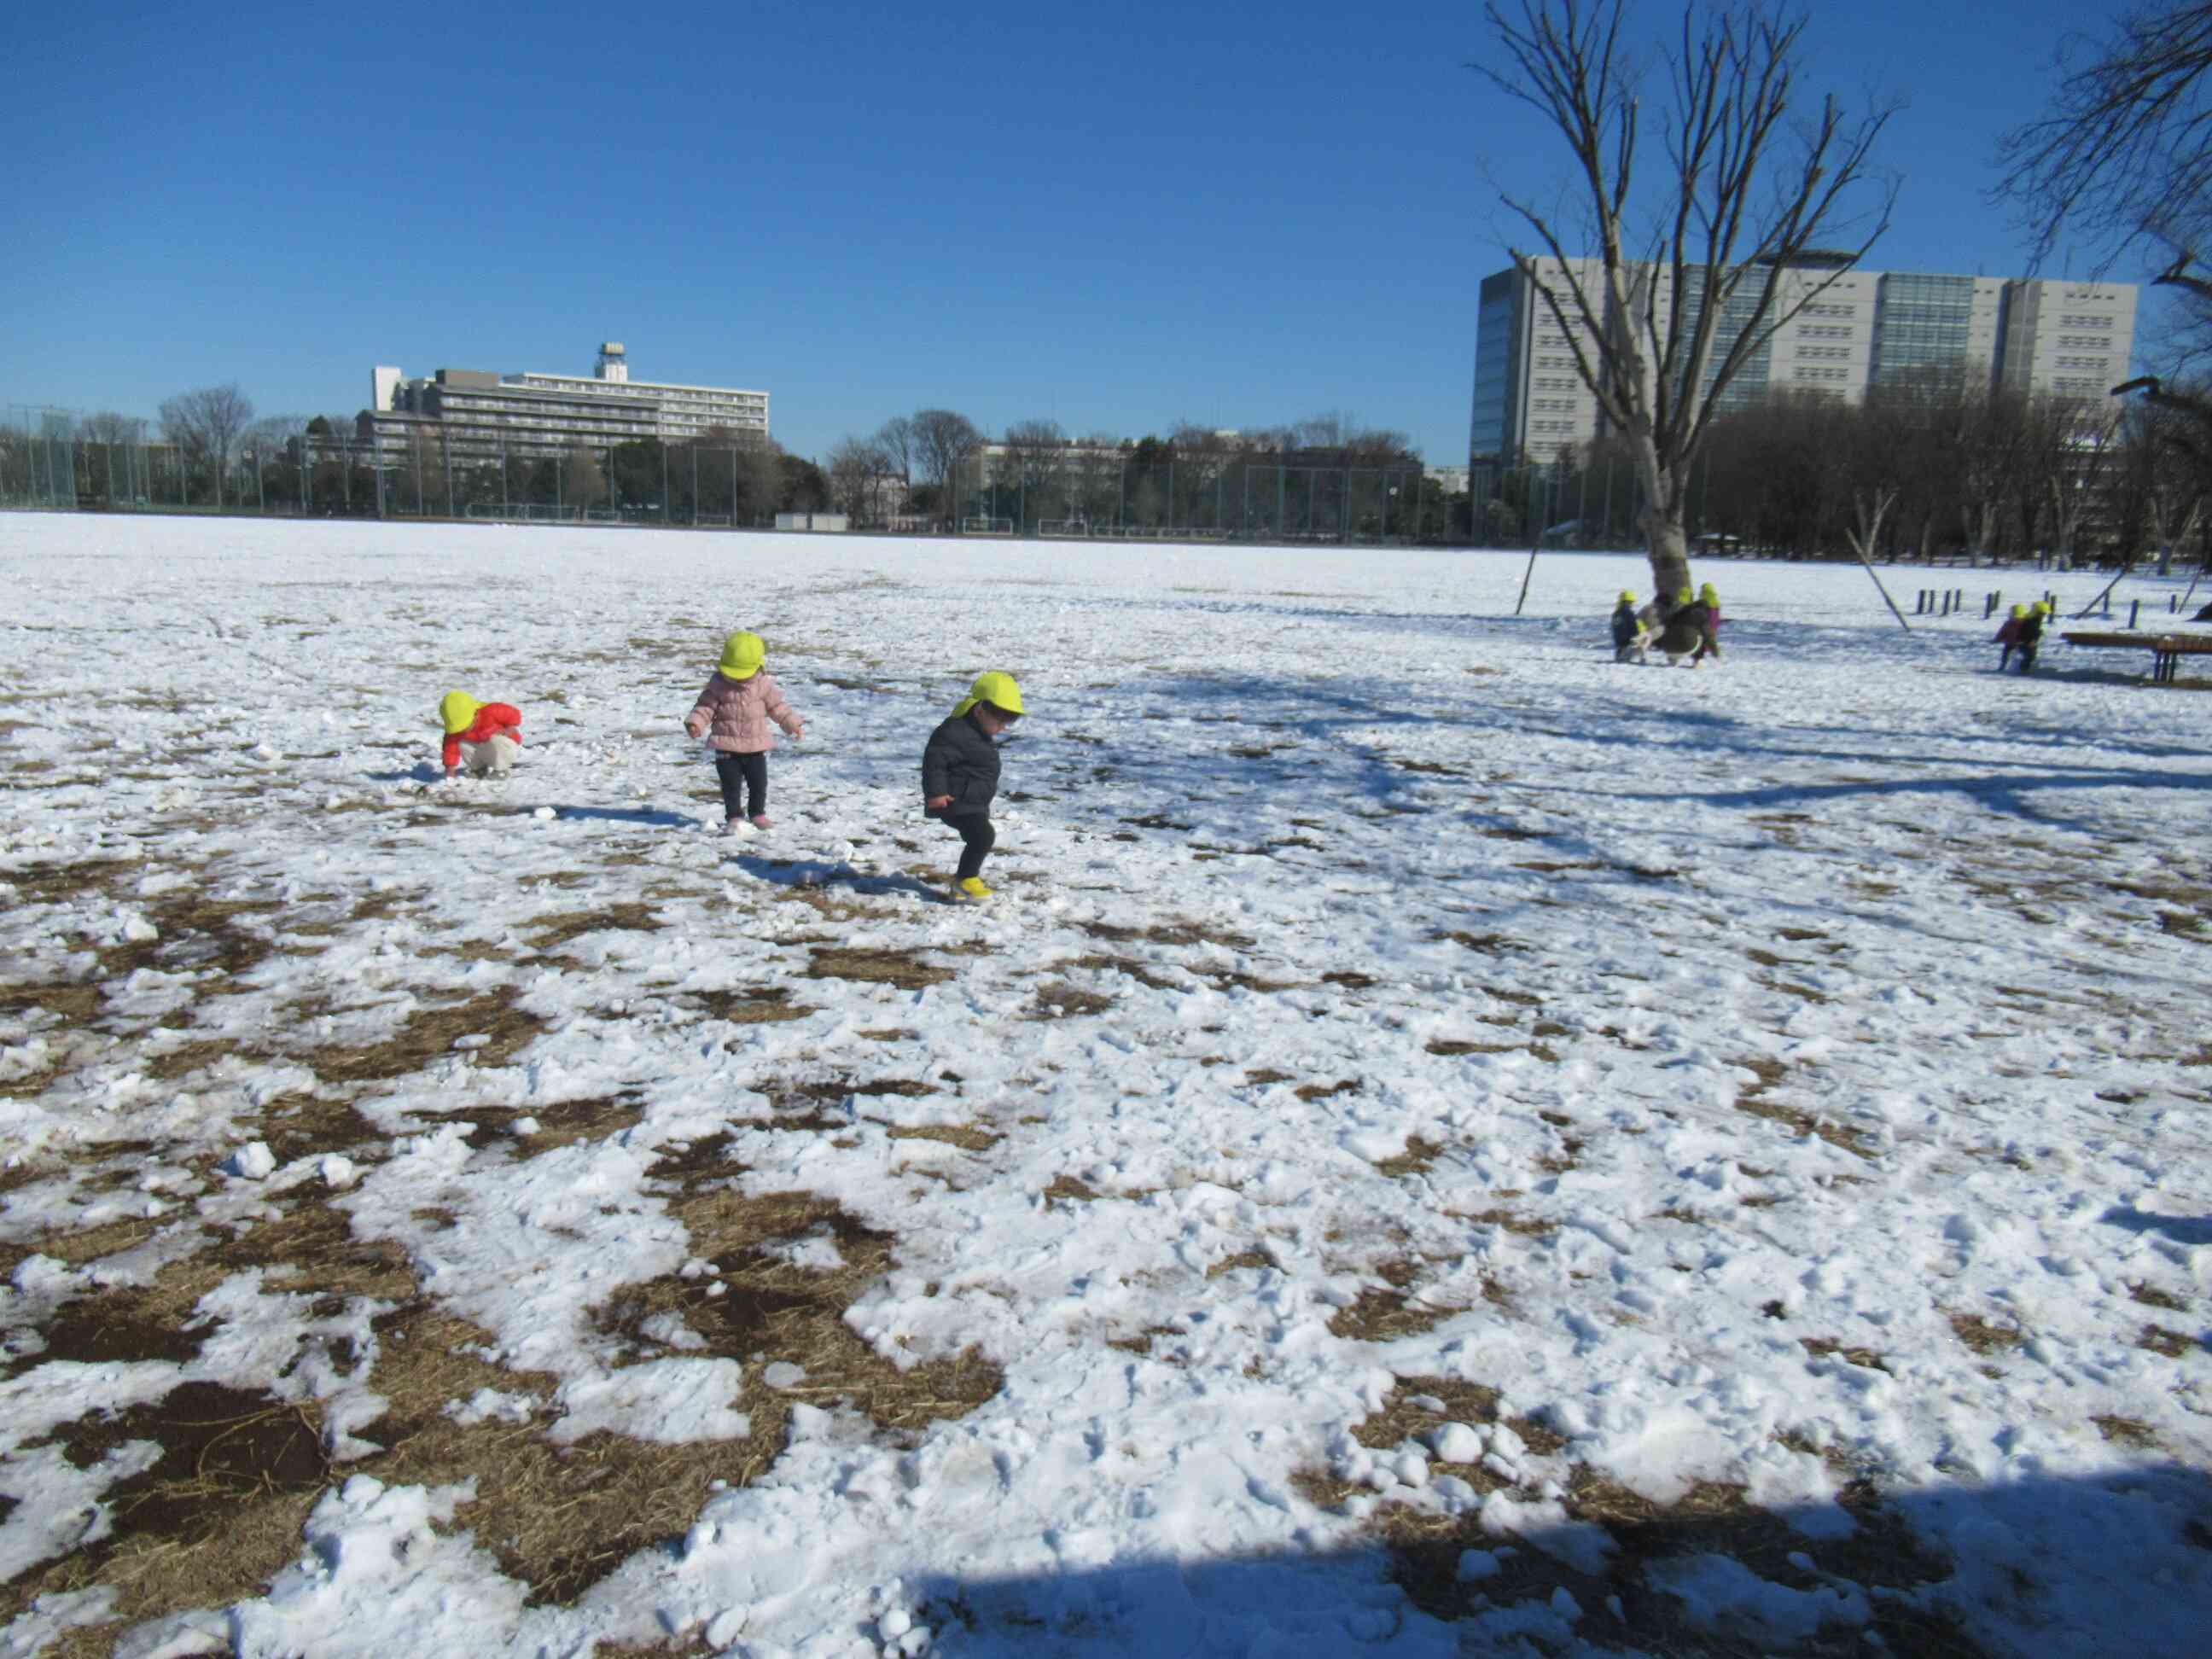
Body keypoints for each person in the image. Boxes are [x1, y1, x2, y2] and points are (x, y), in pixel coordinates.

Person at [684, 631, 804, 833]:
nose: (737, 679)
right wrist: (696, 722)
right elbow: (705, 706)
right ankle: (734, 816)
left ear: (757, 666)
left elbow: (778, 707)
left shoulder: (763, 685)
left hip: (755, 745)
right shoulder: (718, 685)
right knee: (730, 786)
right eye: (733, 673)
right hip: (725, 746)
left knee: (758, 784)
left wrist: (792, 723)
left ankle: (757, 813)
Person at [923, 671, 1023, 902]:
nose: (1003, 726)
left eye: (1010, 720)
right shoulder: (953, 732)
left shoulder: (976, 732)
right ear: (980, 710)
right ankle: (965, 880)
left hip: (972, 800)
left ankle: (965, 880)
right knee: (982, 836)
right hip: (952, 800)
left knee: (981, 836)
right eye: (1000, 718)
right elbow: (934, 763)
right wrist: (936, 793)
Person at [439, 691, 522, 780]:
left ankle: (501, 770)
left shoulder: (490, 711)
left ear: (475, 714)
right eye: (460, 728)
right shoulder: (456, 731)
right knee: (462, 744)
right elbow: (450, 749)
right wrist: (450, 768)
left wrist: (510, 728)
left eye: (466, 725)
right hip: (484, 749)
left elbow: (514, 714)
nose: (464, 730)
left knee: (496, 740)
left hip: (505, 748)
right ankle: (479, 769)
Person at [1610, 591, 1649, 663]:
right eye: (1631, 602)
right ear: (1627, 602)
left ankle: (1621, 655)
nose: (1632, 604)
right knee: (1647, 636)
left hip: (1619, 648)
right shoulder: (1629, 613)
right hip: (1628, 647)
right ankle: (1643, 658)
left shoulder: (1615, 614)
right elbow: (1634, 629)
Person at [2014, 601, 2049, 673]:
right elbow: (2031, 631)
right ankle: (2023, 669)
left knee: (2031, 656)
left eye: (2044, 614)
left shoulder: (2036, 619)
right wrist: (2033, 639)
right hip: (2025, 641)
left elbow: (2035, 631)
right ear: (2037, 612)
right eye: (2042, 614)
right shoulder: (2030, 620)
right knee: (2029, 656)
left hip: (2029, 641)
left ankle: (2024, 668)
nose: (2043, 616)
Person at [1994, 603, 2029, 672]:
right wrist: (1998, 639)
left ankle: (2023, 668)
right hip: (2010, 643)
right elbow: (2002, 632)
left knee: (2024, 656)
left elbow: (2029, 634)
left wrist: (2026, 641)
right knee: (2006, 654)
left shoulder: (2026, 624)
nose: (2017, 619)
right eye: (2015, 618)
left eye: (2019, 618)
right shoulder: (2008, 624)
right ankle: (2003, 665)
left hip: (2022, 643)